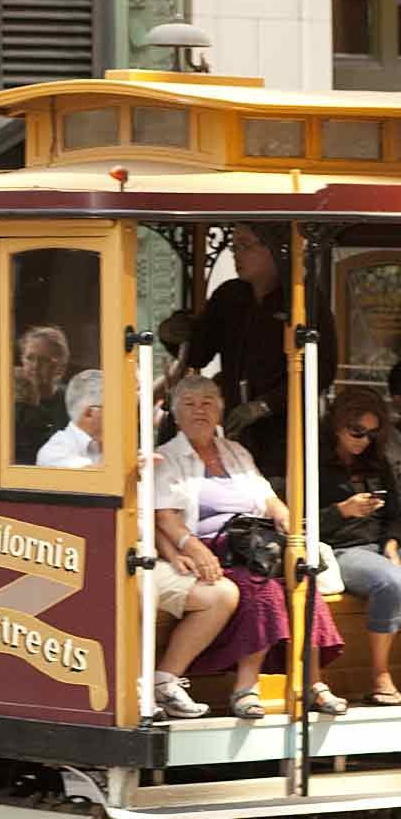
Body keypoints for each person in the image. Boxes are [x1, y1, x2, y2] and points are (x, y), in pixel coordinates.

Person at [154, 374, 346, 718]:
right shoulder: (167, 457)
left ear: (220, 410)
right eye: (190, 404)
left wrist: (287, 521)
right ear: (176, 414)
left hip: (257, 546)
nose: (199, 410)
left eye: (207, 403)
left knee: (303, 581)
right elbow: (165, 517)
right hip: (213, 549)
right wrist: (194, 549)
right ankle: (246, 687)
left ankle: (313, 682)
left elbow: (268, 498)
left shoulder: (236, 451)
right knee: (263, 590)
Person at [158, 222, 336, 480]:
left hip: (284, 431)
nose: (236, 255)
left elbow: (323, 369)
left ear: (274, 249)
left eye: (244, 246)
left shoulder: (302, 299)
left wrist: (264, 406)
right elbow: (199, 353)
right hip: (235, 428)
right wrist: (174, 335)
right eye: (234, 247)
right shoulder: (229, 296)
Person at [318, 386, 401, 705]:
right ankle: (380, 674)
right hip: (340, 549)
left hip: (380, 546)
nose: (363, 440)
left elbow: (395, 514)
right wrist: (343, 510)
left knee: (390, 573)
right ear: (339, 424)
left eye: (371, 434)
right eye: (357, 431)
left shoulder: (376, 462)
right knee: (390, 581)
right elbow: (297, 523)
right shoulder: (313, 462)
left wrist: (391, 544)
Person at [14, 325, 69, 465]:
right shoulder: (11, 401)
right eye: (30, 358)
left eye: (44, 360)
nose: (35, 365)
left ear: (60, 367)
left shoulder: (71, 401)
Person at [37, 369, 103, 468]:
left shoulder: (103, 443)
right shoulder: (53, 452)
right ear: (89, 413)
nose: (120, 415)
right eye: (114, 408)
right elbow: (101, 473)